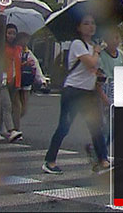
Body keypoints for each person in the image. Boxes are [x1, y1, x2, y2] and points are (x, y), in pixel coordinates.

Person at [43, 15, 111, 174]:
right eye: (86, 23)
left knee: (96, 126)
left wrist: (98, 75)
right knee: (64, 127)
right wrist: (96, 53)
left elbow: (92, 69)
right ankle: (49, 161)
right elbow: (91, 63)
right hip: (73, 91)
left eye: (93, 23)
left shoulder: (91, 46)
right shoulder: (77, 44)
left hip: (88, 92)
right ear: (79, 28)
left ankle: (103, 160)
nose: (91, 26)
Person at [0, 23, 24, 142]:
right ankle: (11, 130)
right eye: (9, 33)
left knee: (2, 107)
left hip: (14, 81)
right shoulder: (1, 47)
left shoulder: (18, 48)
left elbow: (17, 65)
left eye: (14, 33)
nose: (11, 36)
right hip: (2, 80)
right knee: (7, 105)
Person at [15, 32, 45, 130]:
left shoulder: (28, 52)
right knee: (16, 106)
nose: (25, 41)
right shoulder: (14, 50)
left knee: (24, 108)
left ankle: (13, 123)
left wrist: (41, 79)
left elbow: (35, 65)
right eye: (23, 39)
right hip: (16, 81)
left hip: (27, 81)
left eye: (26, 39)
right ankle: (14, 127)